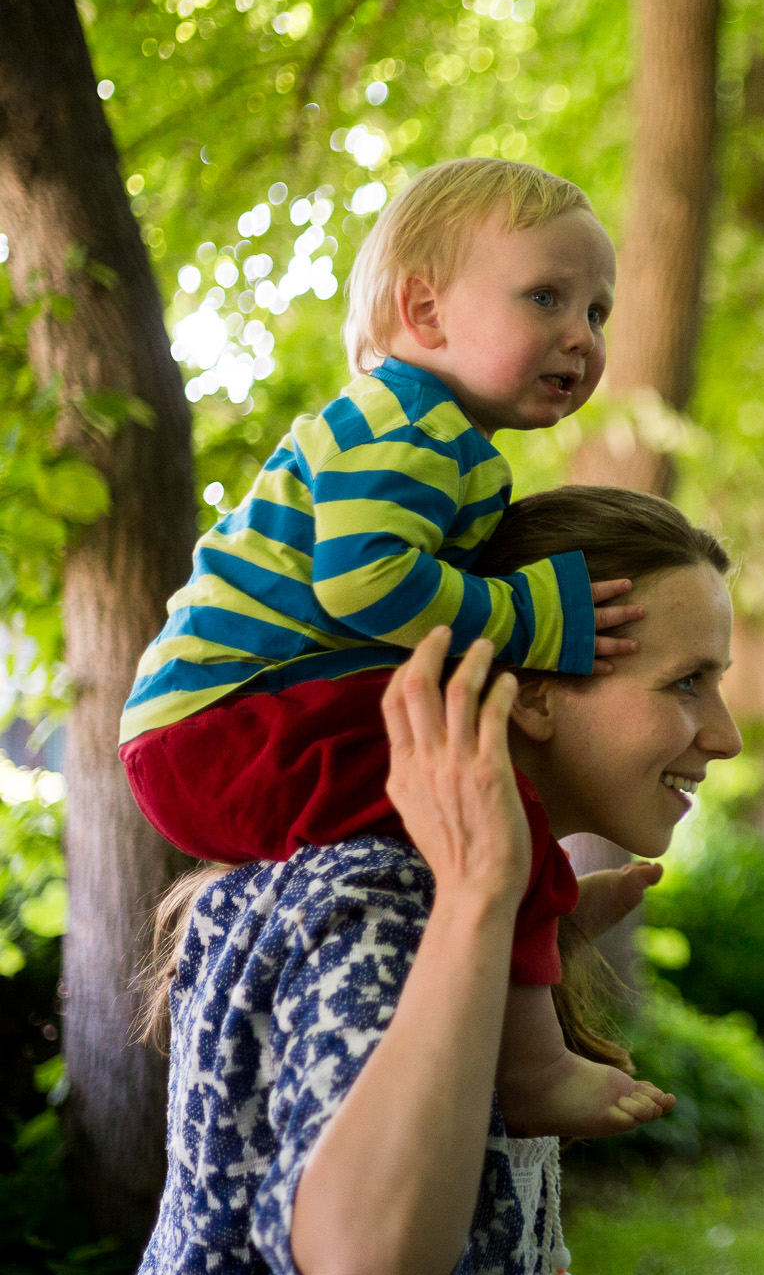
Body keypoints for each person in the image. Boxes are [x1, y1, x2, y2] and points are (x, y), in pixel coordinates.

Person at [119, 159, 652, 1136]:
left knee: (459, 786)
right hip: (229, 721)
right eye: (546, 296)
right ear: (425, 310)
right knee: (479, 782)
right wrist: (527, 615)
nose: (582, 334)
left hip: (233, 719)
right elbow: (364, 582)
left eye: (599, 311)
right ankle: (534, 1063)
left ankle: (536, 919)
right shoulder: (404, 423)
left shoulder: (428, 433)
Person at [139, 486, 742, 1275]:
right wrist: (477, 903)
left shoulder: (428, 893)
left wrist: (519, 929)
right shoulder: (385, 896)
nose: (727, 736)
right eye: (687, 681)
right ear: (530, 690)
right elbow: (364, 1263)